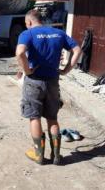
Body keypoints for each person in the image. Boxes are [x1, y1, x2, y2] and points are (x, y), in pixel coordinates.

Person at [16, 9, 81, 165]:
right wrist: (66, 69)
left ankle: (39, 155)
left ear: (29, 22)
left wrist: (26, 70)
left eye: (26, 24)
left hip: (34, 82)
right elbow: (78, 50)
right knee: (52, 118)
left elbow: (19, 53)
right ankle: (56, 156)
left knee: (34, 117)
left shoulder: (28, 34)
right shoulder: (58, 33)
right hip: (53, 81)